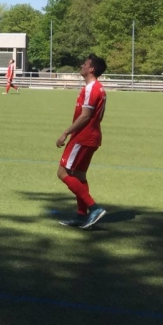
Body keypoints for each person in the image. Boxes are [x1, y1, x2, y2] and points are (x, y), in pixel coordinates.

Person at [55, 54, 108, 229]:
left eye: (85, 64)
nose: (82, 66)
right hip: (91, 136)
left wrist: (65, 133)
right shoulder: (99, 88)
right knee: (79, 175)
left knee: (63, 173)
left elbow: (85, 116)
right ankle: (81, 215)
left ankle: (94, 208)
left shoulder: (91, 89)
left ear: (91, 69)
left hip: (83, 137)